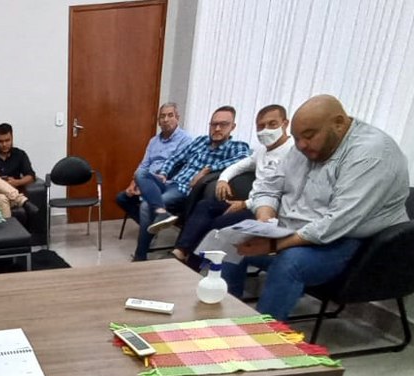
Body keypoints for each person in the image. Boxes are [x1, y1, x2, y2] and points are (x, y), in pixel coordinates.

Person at [221, 94, 410, 320]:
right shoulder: (302, 145)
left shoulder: (371, 153)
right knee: (234, 241)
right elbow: (268, 187)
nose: (301, 145)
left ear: (338, 123)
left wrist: (274, 244)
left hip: (344, 241)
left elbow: (337, 221)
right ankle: (224, 321)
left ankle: (261, 337)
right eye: (297, 138)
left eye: (309, 136)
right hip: (288, 230)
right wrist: (264, 221)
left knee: (289, 263)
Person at [170, 104, 296, 267]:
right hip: (249, 204)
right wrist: (223, 179)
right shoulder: (262, 151)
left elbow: (279, 192)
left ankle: (192, 268)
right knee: (205, 206)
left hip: (268, 213)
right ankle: (181, 250)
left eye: (272, 124)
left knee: (217, 225)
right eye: (261, 126)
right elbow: (238, 166)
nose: (265, 130)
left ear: (285, 124)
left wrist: (245, 204)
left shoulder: (294, 153)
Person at [136, 106, 250, 261]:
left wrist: (207, 170)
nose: (217, 128)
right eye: (214, 124)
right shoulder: (200, 141)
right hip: (171, 182)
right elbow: (175, 158)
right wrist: (163, 173)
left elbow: (242, 160)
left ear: (233, 127)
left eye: (223, 124)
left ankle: (140, 256)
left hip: (185, 189)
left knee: (146, 204)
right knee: (140, 174)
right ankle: (161, 214)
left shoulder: (237, 146)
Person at [115, 102, 193, 232]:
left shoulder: (186, 139)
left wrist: (148, 183)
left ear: (177, 118)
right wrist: (134, 183)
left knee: (146, 203)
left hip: (167, 183)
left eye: (170, 115)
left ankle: (151, 228)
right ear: (158, 121)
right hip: (147, 180)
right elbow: (144, 164)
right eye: (162, 116)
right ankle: (151, 227)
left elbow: (176, 166)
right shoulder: (153, 141)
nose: (165, 120)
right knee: (122, 198)